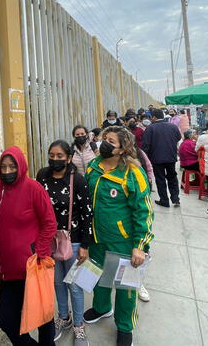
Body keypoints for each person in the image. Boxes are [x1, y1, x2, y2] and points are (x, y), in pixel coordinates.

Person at [82, 126, 154, 346]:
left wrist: (140, 245)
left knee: (125, 288)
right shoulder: (93, 166)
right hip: (96, 238)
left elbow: (145, 211)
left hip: (123, 241)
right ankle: (102, 308)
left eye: (111, 141)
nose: (104, 143)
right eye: (104, 138)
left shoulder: (133, 173)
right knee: (97, 277)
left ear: (123, 149)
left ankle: (124, 326)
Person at [0, 146, 57, 346]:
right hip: (6, 271)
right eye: (4, 167)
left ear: (21, 167)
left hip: (31, 268)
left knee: (43, 317)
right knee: (6, 319)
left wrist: (38, 251)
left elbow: (49, 223)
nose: (8, 171)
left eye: (13, 166)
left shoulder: (33, 188)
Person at [36, 140, 93, 345]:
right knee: (57, 282)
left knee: (75, 286)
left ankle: (79, 325)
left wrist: (85, 245)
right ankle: (64, 318)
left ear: (69, 158)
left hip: (74, 241)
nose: (55, 159)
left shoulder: (77, 180)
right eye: (52, 155)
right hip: (50, 240)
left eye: (60, 156)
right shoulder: (42, 175)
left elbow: (87, 213)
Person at [142, 109, 182, 208]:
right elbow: (178, 137)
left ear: (153, 117)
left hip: (156, 158)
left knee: (160, 179)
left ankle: (164, 200)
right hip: (171, 157)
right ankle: (175, 198)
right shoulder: (173, 126)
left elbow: (146, 146)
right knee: (172, 177)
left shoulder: (150, 128)